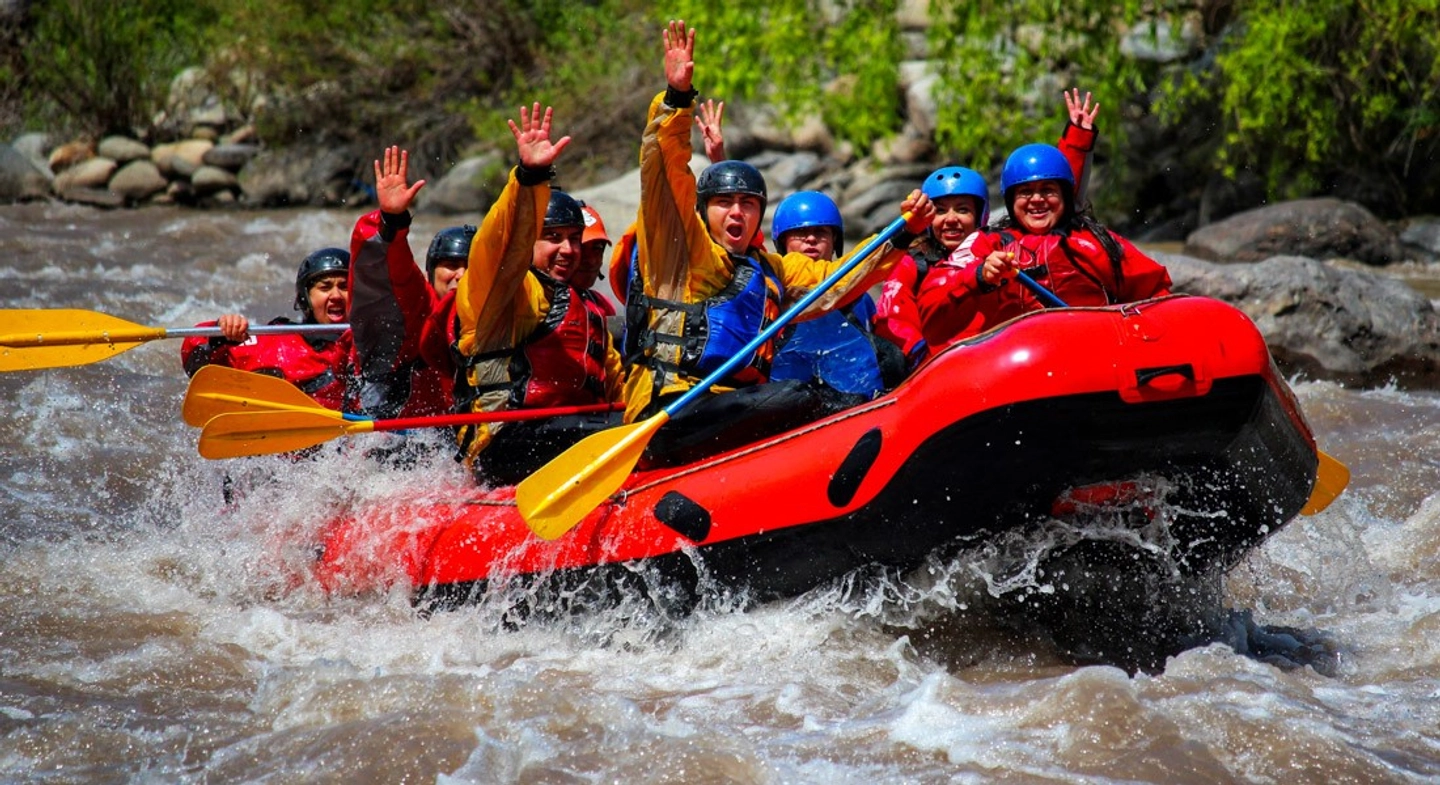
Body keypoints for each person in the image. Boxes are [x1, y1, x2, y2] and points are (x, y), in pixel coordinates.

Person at [625, 20, 933, 466]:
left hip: (731, 405)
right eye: (725, 203)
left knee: (807, 392)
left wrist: (902, 232)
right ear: (703, 209)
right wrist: (676, 101)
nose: (737, 213)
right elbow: (663, 174)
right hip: (671, 409)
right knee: (798, 396)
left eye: (748, 204)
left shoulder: (772, 268)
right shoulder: (679, 251)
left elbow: (841, 280)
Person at [450, 102, 626, 485]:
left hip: (573, 434)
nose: (568, 250)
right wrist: (529, 177)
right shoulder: (504, 291)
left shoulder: (585, 307)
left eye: (574, 240)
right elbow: (501, 242)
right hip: (505, 444)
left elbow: (616, 385)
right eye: (553, 238)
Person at [875, 89, 1101, 369]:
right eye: (941, 211)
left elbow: (1057, 204)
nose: (951, 220)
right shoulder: (912, 264)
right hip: (930, 365)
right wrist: (919, 358)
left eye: (963, 210)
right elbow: (893, 317)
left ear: (981, 215)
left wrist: (1078, 140)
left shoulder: (994, 245)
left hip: (993, 360)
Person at [917, 141, 1173, 348]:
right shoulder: (985, 245)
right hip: (1013, 363)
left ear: (1064, 195)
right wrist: (978, 276)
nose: (1037, 200)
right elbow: (932, 308)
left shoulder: (1094, 242)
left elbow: (1157, 293)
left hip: (1093, 353)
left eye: (1048, 190)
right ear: (1011, 200)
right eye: (1026, 192)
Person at [348, 146, 470, 420]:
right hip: (398, 437)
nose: (461, 276)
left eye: (471, 268)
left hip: (458, 435)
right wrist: (391, 221)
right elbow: (383, 271)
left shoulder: (499, 313)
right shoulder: (416, 304)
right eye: (451, 266)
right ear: (431, 273)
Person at [181, 247, 354, 411]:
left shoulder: (371, 345)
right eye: (325, 287)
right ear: (305, 297)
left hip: (351, 434)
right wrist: (219, 332)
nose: (336, 296)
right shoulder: (276, 342)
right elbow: (195, 363)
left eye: (344, 287)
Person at [767, 190, 901, 403]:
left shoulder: (859, 296)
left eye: (820, 232)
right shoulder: (772, 292)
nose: (811, 239)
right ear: (782, 243)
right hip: (792, 400)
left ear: (834, 240)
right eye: (800, 233)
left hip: (855, 399)